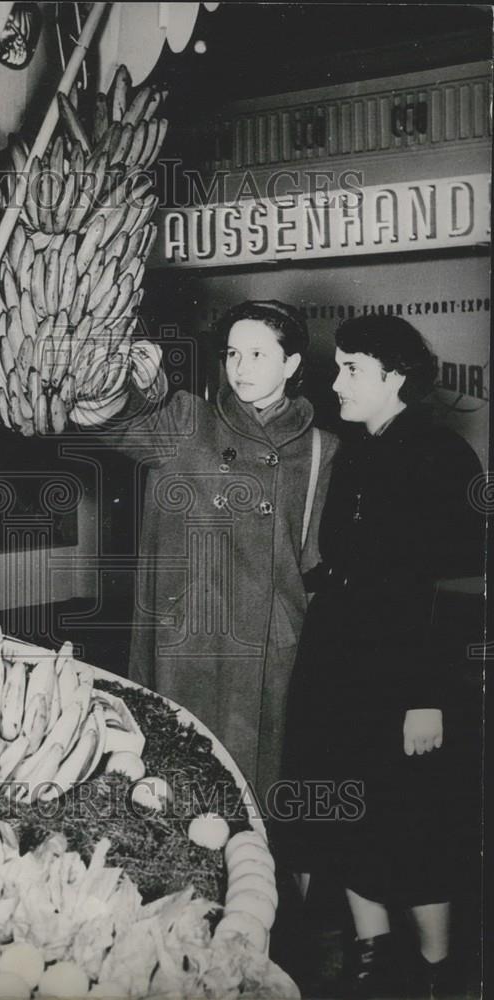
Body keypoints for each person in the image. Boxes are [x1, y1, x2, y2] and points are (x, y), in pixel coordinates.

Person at [279, 315, 484, 998]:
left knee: (415, 817)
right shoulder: (349, 450)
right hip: (341, 661)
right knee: (345, 810)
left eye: (351, 370)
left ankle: (437, 967)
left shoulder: (442, 454)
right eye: (336, 367)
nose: (335, 382)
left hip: (408, 672)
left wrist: (425, 695)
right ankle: (374, 949)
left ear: (395, 377)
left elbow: (452, 586)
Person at [109, 300, 338, 800]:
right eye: (234, 353)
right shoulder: (185, 420)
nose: (241, 368)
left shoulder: (325, 449)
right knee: (176, 794)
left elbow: (321, 565)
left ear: (292, 364)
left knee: (256, 807)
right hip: (187, 642)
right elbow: (109, 423)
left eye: (258, 354)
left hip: (270, 654)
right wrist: (131, 385)